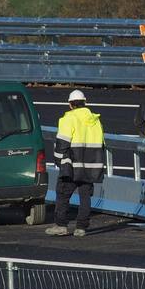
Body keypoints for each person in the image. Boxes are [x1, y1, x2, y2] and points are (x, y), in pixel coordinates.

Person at [47, 90, 104, 237]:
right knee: (85, 196)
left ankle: (61, 225)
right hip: (90, 166)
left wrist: (59, 160)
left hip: (71, 165)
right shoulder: (95, 120)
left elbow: (62, 143)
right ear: (84, 102)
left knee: (63, 193)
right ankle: (81, 227)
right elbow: (101, 143)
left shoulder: (68, 118)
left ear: (70, 104)